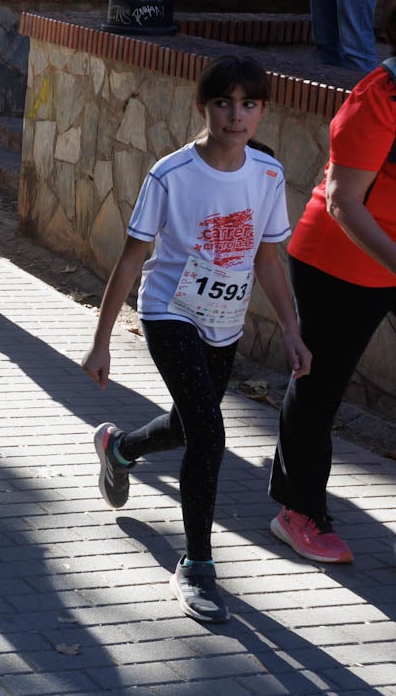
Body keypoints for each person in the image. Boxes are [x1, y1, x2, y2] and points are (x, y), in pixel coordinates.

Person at [83, 55, 311, 623]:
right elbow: (133, 257)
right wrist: (101, 339)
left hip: (224, 322)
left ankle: (120, 448)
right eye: (223, 103)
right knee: (210, 434)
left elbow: (265, 256)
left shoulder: (267, 175)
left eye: (249, 104)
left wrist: (290, 329)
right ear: (203, 106)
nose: (237, 116)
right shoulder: (172, 175)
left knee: (189, 424)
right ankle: (198, 566)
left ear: (262, 110)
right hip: (170, 312)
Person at [268, 34, 396, 564]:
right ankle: (298, 512)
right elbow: (345, 202)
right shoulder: (381, 96)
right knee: (319, 385)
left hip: (386, 260)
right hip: (336, 259)